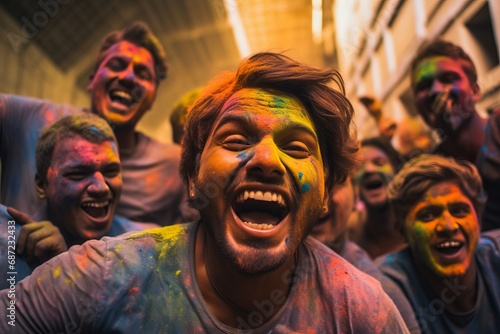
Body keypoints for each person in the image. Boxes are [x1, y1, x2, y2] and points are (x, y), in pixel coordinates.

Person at [0, 52, 409, 333]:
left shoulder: (362, 313)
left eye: (297, 147)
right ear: (194, 179)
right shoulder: (106, 275)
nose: (266, 160)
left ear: (323, 192)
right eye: (235, 140)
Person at [0, 21, 186, 226]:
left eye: (143, 74)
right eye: (116, 65)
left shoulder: (173, 168)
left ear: (153, 98)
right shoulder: (28, 119)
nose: (128, 77)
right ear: (91, 80)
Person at [0, 114, 158, 289]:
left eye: (111, 171)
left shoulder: (148, 244)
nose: (101, 188)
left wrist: (64, 265)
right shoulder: (11, 253)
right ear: (42, 185)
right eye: (78, 174)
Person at [379, 154, 500, 333]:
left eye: (459, 211)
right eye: (427, 215)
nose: (448, 227)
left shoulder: (495, 256)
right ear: (402, 230)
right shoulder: (386, 288)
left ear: (478, 218)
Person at [310, 175, 420, 333]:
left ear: (356, 195)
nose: (322, 201)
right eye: (314, 182)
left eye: (335, 183)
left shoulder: (379, 296)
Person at [410, 38, 500, 231]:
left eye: (449, 79)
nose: (436, 90)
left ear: (475, 91)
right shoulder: (430, 171)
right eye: (424, 86)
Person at [350, 136, 406, 259]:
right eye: (360, 167)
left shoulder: (416, 226)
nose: (369, 170)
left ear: (397, 171)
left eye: (379, 163)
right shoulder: (349, 232)